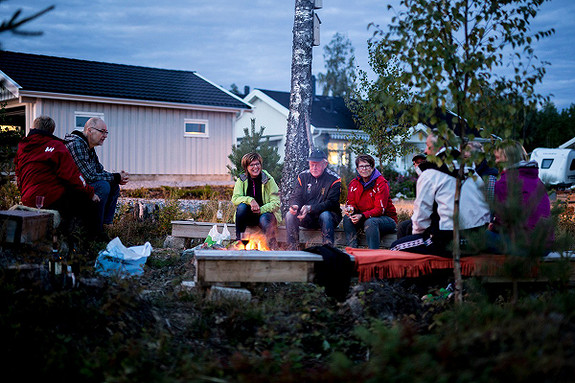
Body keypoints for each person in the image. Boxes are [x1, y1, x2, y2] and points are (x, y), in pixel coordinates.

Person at [390, 131, 491, 256]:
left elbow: (420, 218)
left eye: (428, 146)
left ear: (438, 147)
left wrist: (418, 237)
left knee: (396, 248)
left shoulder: (430, 174)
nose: (426, 151)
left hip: (447, 242)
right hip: (477, 240)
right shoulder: (471, 171)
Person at [14, 115, 101, 237]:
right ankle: (94, 239)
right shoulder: (56, 146)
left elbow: (18, 174)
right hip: (49, 198)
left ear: (33, 128)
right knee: (89, 204)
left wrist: (24, 193)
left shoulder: (23, 147)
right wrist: (90, 193)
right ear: (51, 131)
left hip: (27, 198)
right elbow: (72, 175)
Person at [487, 140, 552, 254]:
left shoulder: (505, 182)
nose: (495, 162)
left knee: (479, 236)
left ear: (506, 158)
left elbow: (503, 221)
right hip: (545, 244)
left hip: (524, 245)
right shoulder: (537, 180)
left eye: (497, 157)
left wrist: (492, 227)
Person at [65, 117, 129, 231]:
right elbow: (88, 176)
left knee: (113, 185)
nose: (105, 136)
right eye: (102, 132)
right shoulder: (76, 145)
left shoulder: (88, 147)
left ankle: (105, 226)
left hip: (82, 188)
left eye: (106, 132)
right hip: (69, 191)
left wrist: (117, 177)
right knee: (103, 186)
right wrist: (116, 177)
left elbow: (99, 170)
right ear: (90, 130)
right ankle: (95, 230)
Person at [285, 149, 342, 250]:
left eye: (317, 164)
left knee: (325, 215)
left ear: (325, 164)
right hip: (307, 217)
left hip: (329, 217)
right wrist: (295, 205)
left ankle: (328, 249)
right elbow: (296, 196)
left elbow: (331, 203)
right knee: (290, 215)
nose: (314, 168)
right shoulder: (302, 176)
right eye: (312, 164)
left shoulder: (334, 179)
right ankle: (292, 248)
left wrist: (311, 208)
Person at [343, 154, 397, 249]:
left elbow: (380, 210)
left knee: (371, 222)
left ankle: (373, 254)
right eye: (361, 166)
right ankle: (352, 251)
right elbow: (351, 202)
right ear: (357, 169)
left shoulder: (381, 183)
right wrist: (351, 210)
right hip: (365, 217)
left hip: (386, 219)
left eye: (367, 166)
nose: (364, 169)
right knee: (347, 219)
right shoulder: (354, 183)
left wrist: (362, 216)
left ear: (372, 167)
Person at [231, 152, 281, 248]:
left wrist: (261, 210)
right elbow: (235, 199)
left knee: (264, 218)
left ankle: (273, 247)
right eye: (252, 165)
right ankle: (239, 241)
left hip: (266, 215)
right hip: (248, 217)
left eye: (257, 164)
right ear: (246, 167)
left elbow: (276, 203)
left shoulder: (269, 180)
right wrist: (250, 200)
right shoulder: (241, 180)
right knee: (242, 207)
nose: (255, 167)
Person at [396, 152, 427, 239]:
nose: (417, 166)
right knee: (402, 226)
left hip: (431, 219)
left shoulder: (430, 178)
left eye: (420, 163)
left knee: (409, 228)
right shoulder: (420, 179)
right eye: (415, 164)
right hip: (421, 217)